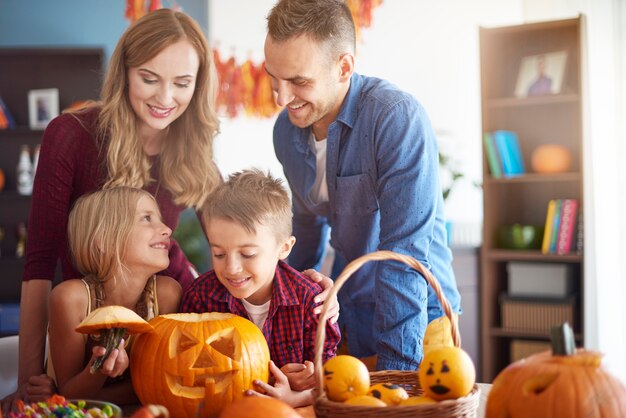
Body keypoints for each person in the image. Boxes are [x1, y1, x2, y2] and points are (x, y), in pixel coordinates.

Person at [2, 8, 335, 412]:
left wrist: (304, 283)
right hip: (86, 324)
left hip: (164, 316)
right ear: (124, 72)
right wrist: (27, 378)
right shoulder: (71, 135)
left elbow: (249, 225)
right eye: (149, 79)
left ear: (197, 85)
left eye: (182, 83)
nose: (165, 98)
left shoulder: (191, 150)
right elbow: (38, 264)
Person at [264, 0, 462, 372]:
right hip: (350, 312)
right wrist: (282, 320)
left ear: (344, 67)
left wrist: (397, 374)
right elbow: (305, 231)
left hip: (419, 320)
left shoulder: (395, 119)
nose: (281, 98)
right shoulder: (286, 132)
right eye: (273, 78)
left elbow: (404, 256)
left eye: (298, 82)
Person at [180, 169, 341, 408]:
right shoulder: (201, 297)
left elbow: (333, 379)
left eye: (248, 254)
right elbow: (187, 368)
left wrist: (297, 397)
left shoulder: (310, 300)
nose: (232, 268)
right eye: (219, 253)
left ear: (284, 248)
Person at [48, 186, 182, 404]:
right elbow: (69, 395)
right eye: (147, 218)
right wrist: (99, 370)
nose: (167, 228)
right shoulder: (71, 299)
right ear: (104, 239)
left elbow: (164, 383)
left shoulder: (167, 294)